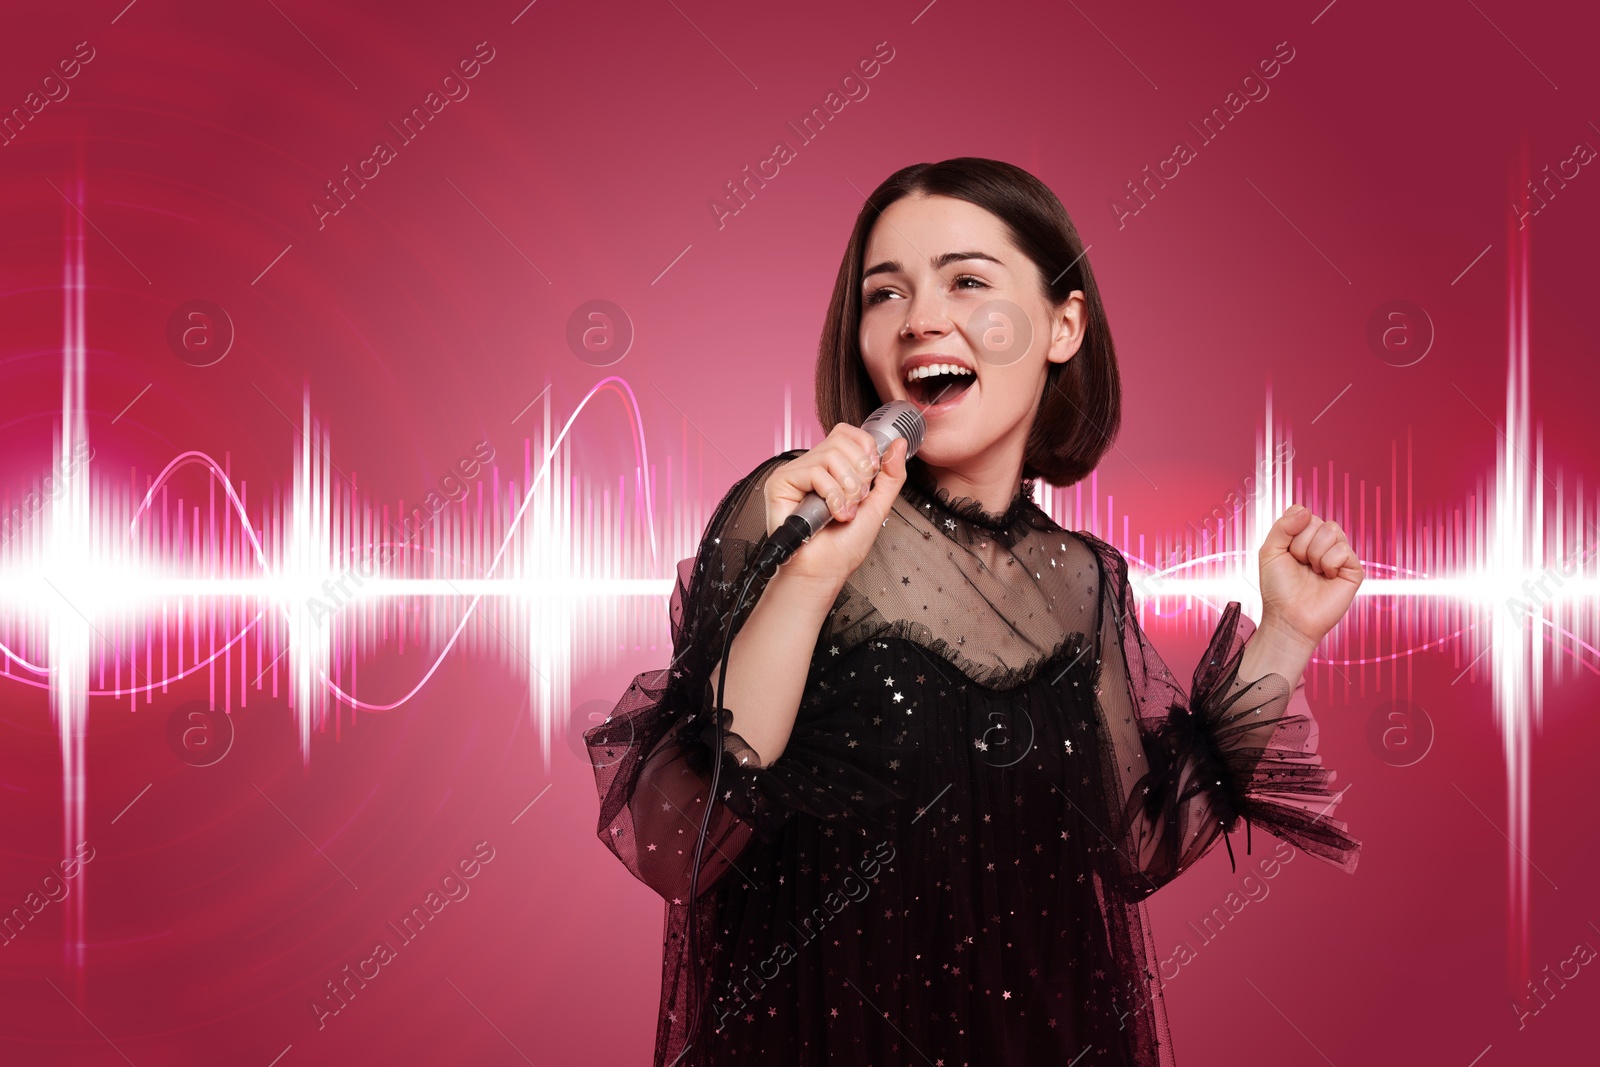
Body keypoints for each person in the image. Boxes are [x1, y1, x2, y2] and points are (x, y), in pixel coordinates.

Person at [585, 157, 1363, 1066]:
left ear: (1064, 325)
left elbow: (1138, 843)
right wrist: (808, 577)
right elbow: (685, 835)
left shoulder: (1082, 581)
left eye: (966, 280)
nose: (920, 319)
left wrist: (1287, 634)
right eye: (886, 293)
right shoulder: (792, 507)